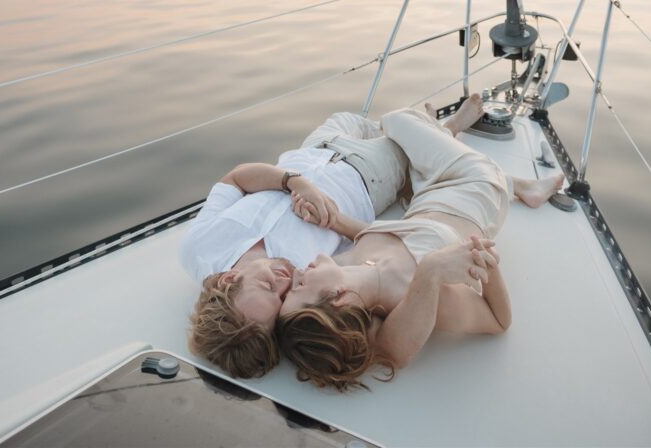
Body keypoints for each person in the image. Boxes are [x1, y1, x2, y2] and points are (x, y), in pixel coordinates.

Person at [277, 95, 564, 391]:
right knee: (397, 119)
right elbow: (498, 320)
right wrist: (483, 262)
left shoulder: (345, 266)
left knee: (404, 156)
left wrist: (331, 219)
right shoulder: (415, 294)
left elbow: (377, 237)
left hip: (423, 195)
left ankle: (481, 157)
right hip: (476, 186)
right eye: (299, 287)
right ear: (340, 299)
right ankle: (483, 160)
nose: (296, 274)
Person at [180, 111, 408, 379]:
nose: (283, 283)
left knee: (350, 117)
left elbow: (236, 178)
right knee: (407, 127)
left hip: (310, 152)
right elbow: (378, 247)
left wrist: (294, 182)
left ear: (228, 279)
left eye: (267, 286)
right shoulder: (308, 280)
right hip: (368, 177)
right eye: (282, 298)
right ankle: (444, 128)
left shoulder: (199, 248)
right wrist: (333, 221)